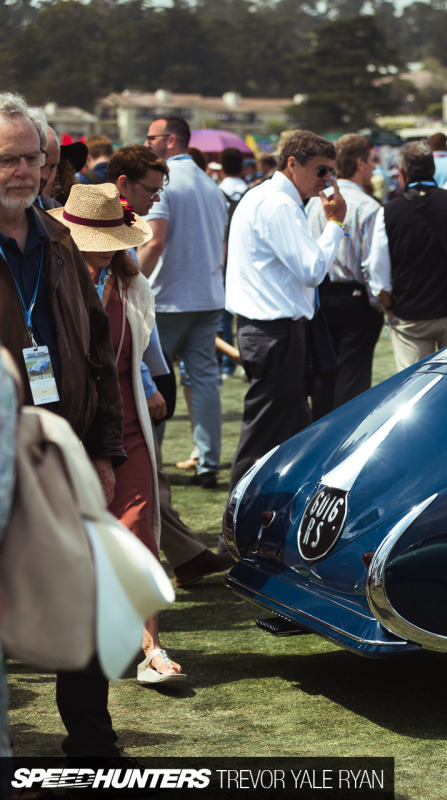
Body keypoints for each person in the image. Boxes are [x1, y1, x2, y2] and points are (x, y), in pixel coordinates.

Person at [0, 90, 126, 763]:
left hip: (68, 457)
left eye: (34, 160)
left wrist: (105, 450)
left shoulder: (57, 237)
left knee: (84, 604)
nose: (27, 172)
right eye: (10, 161)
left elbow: (99, 354)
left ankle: (94, 747)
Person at [49, 183, 185, 684]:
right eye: (94, 242)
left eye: (110, 241)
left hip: (128, 427)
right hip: (73, 430)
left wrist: (149, 385)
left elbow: (139, 347)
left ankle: (151, 647)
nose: (103, 252)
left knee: (137, 534)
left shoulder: (131, 284)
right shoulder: (49, 280)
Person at [108, 145, 235, 586]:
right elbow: (116, 325)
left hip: (162, 327)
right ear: (124, 185)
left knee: (146, 470)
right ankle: (176, 559)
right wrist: (144, 380)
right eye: (150, 191)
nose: (156, 198)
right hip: (144, 355)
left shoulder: (122, 225)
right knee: (141, 472)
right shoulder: (111, 232)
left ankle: (185, 555)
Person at [225, 131, 346, 487]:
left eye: (330, 173)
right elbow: (311, 271)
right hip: (274, 332)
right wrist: (336, 224)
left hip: (273, 330)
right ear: (292, 165)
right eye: (321, 171)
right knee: (263, 437)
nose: (327, 180)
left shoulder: (265, 196)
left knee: (293, 435)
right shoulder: (278, 203)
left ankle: (269, 525)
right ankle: (231, 534)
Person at [140, 115, 229, 489]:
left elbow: (155, 241)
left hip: (169, 297)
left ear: (171, 140)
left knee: (157, 381)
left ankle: (152, 461)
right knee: (204, 380)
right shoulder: (211, 185)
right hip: (208, 296)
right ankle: (208, 462)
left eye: (151, 138)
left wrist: (132, 282)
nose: (147, 144)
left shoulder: (166, 183)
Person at [367, 141, 447, 371]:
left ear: (402, 173)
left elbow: (377, 267)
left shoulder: (388, 212)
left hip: (410, 313)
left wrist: (389, 308)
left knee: (413, 386)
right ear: (432, 170)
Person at [304, 133, 384, 417]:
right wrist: (379, 300)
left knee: (324, 377)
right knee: (353, 380)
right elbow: (374, 264)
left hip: (321, 295)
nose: (375, 167)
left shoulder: (316, 202)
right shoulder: (370, 207)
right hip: (355, 298)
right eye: (372, 161)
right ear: (361, 162)